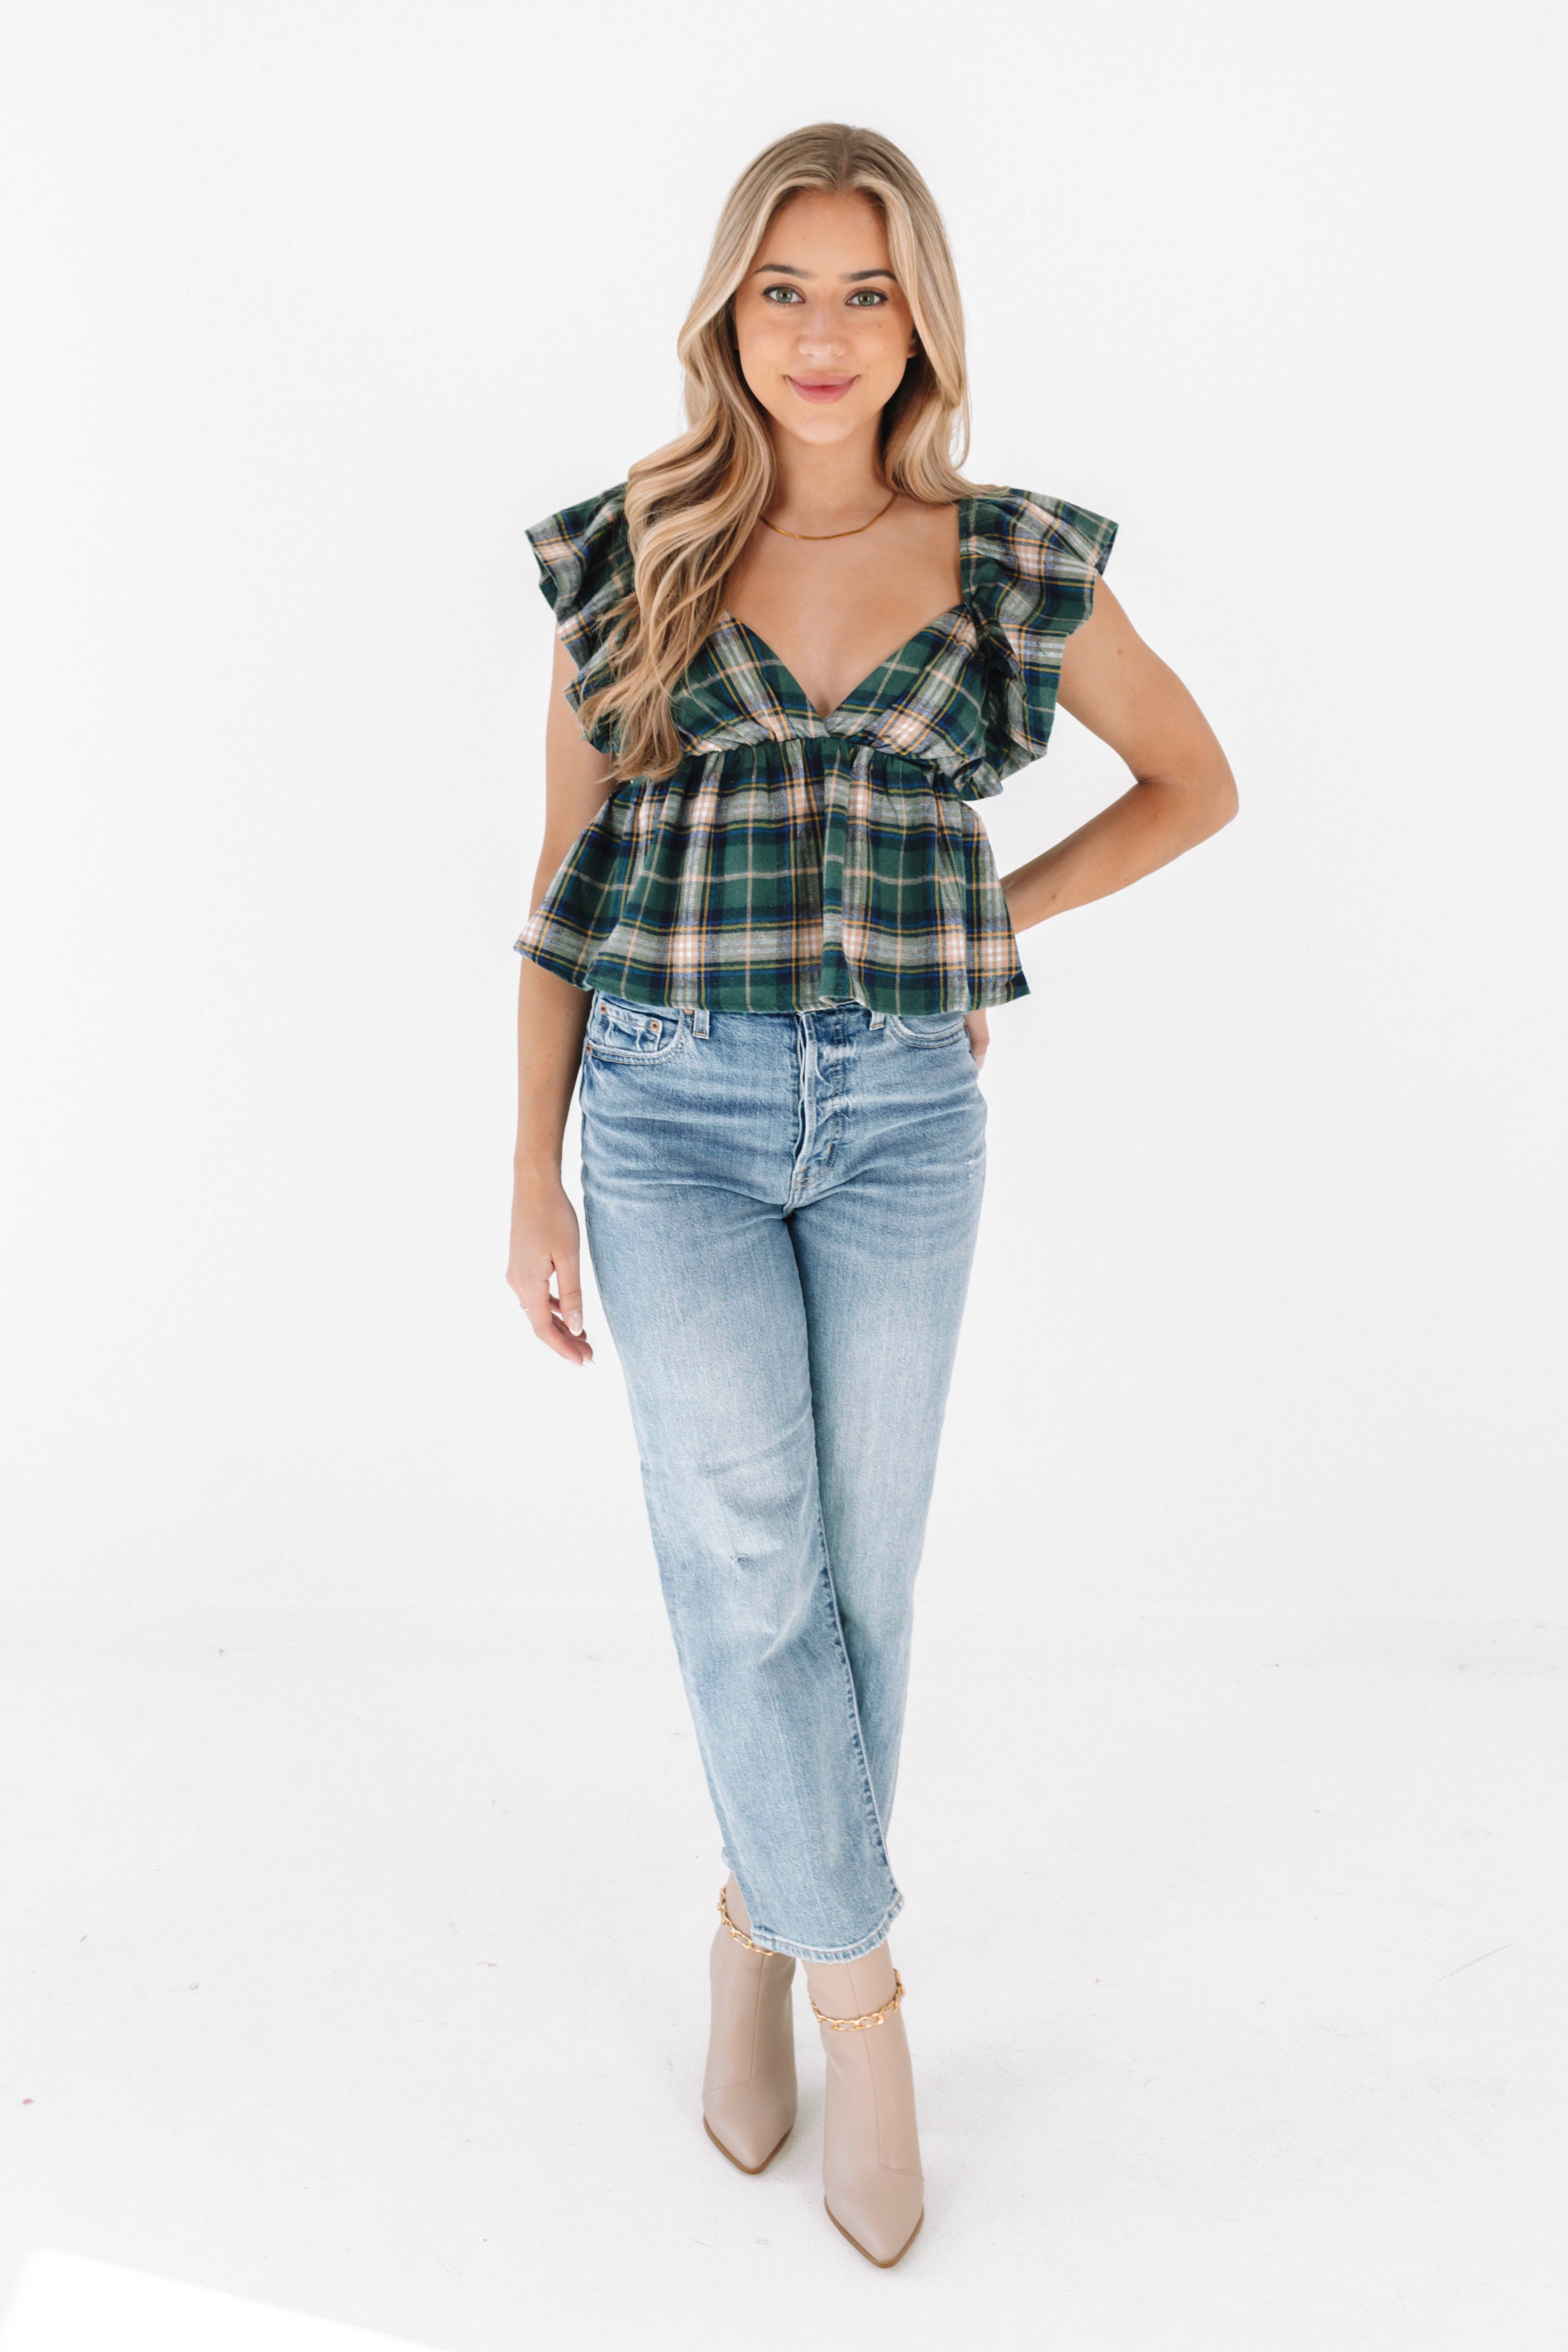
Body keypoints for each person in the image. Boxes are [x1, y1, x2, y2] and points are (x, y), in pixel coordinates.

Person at [505, 121, 1237, 2268]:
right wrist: (527, 1167)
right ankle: (859, 1997)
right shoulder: (633, 548)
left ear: (919, 320)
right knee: (748, 1557)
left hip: (908, 1114)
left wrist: (986, 915)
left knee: (860, 1579)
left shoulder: (1008, 559)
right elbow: (560, 882)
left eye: (866, 292)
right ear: (727, 313)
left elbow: (1195, 781)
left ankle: (756, 1913)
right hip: (665, 1111)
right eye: (783, 290)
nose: (822, 335)